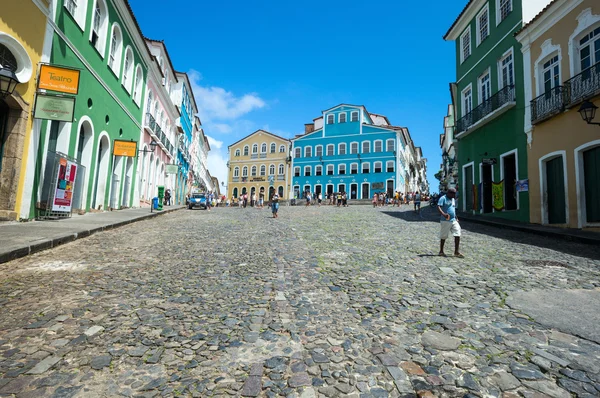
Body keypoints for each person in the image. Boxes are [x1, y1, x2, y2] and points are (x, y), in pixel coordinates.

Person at [437, 188, 463, 258]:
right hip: (445, 220)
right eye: (453, 193)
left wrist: (456, 217)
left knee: (457, 233)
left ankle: (456, 252)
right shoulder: (443, 198)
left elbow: (453, 209)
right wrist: (444, 214)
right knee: (444, 236)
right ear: (449, 193)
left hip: (453, 220)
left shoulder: (453, 199)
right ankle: (441, 251)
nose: (454, 195)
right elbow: (438, 206)